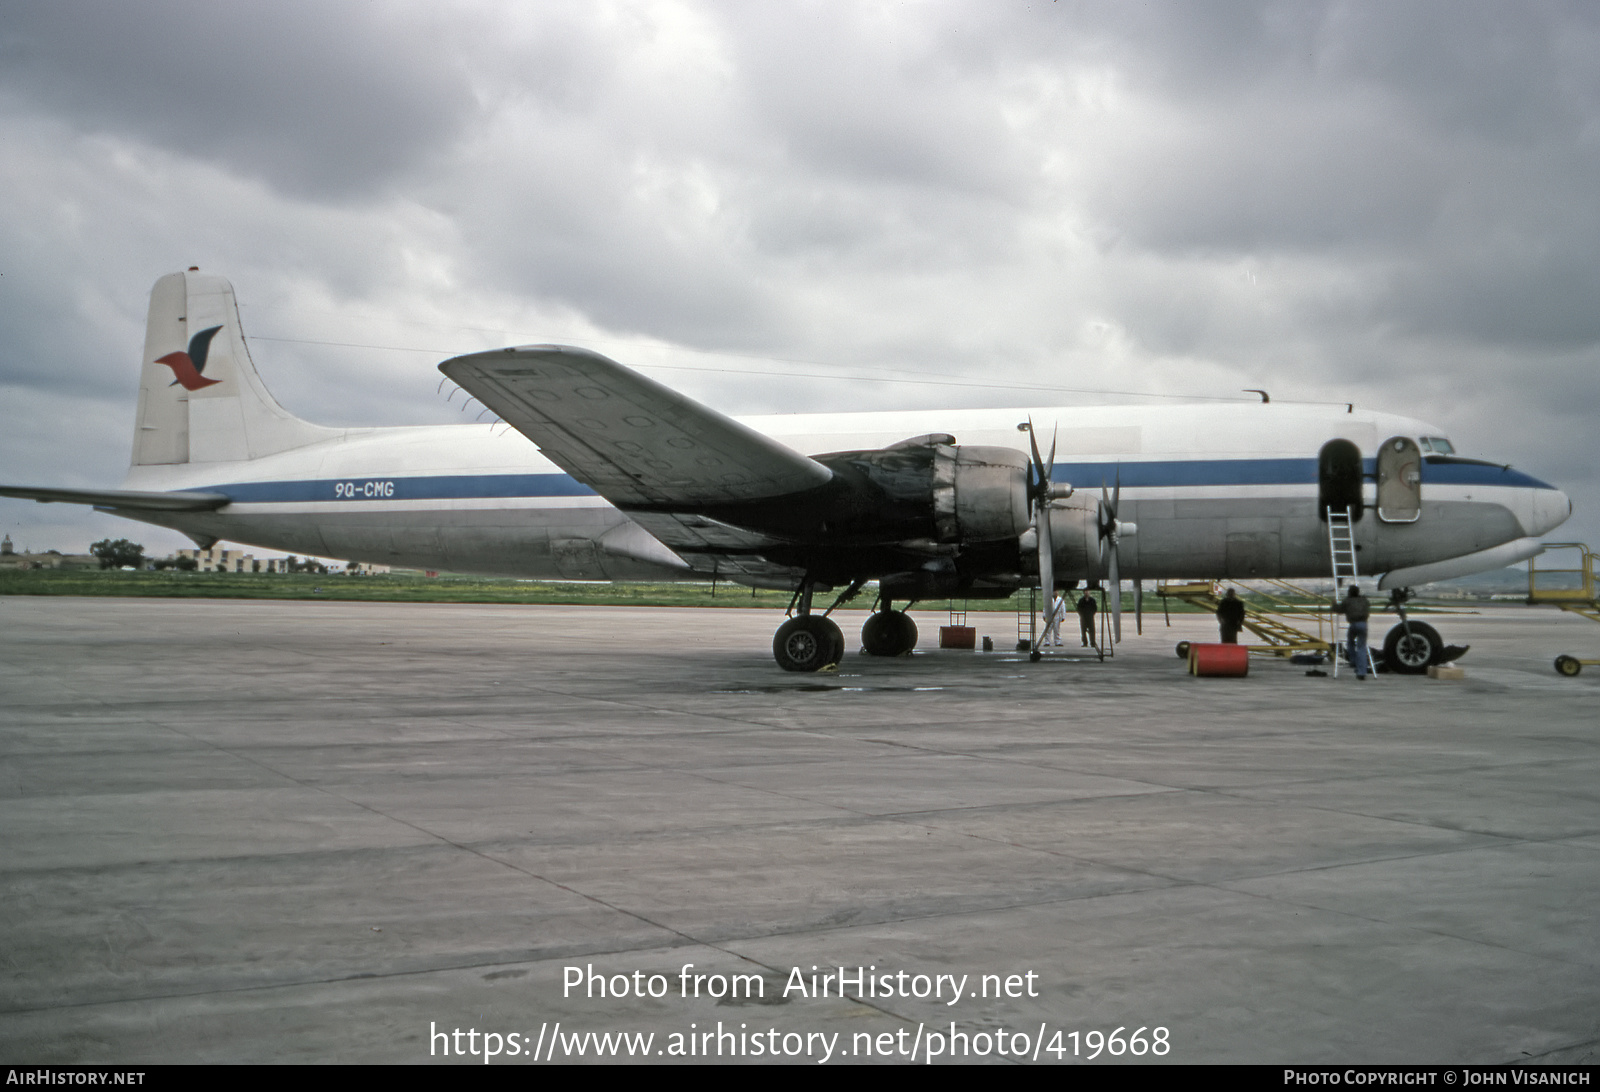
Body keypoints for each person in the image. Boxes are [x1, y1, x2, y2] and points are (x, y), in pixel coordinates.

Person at [1338, 584, 1373, 679]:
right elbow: (1368, 605)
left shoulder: (1347, 601)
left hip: (1354, 624)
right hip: (1363, 624)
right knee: (1362, 647)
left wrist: (1333, 604)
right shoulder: (1364, 600)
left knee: (1350, 642)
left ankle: (1353, 661)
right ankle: (1362, 672)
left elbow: (1339, 610)